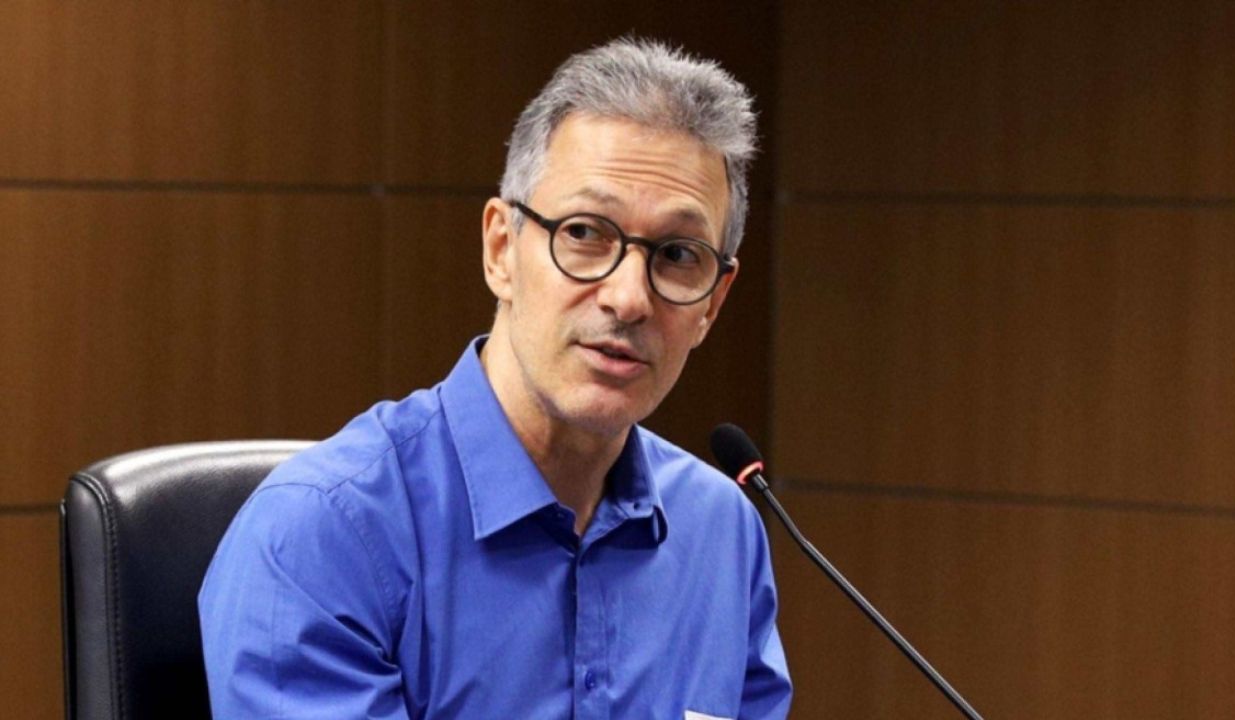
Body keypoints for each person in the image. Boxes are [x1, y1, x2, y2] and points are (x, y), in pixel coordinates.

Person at [199, 37, 791, 719]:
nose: (629, 298)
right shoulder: (325, 533)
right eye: (584, 233)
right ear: (501, 250)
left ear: (713, 303)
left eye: (678, 254)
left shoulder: (721, 535)